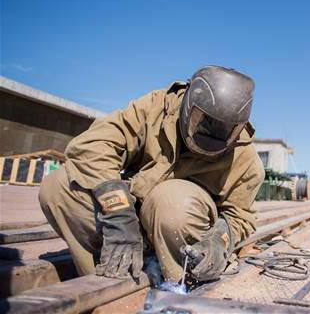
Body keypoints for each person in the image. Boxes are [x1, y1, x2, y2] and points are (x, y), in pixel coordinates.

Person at [39, 66, 265, 285]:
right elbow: (92, 146)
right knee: (59, 186)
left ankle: (179, 284)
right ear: (188, 105)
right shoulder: (156, 108)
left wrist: (219, 240)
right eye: (205, 123)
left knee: (170, 200)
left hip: (179, 233)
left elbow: (239, 217)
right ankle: (111, 271)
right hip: (132, 219)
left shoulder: (245, 159)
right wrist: (118, 213)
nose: (213, 133)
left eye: (225, 129)